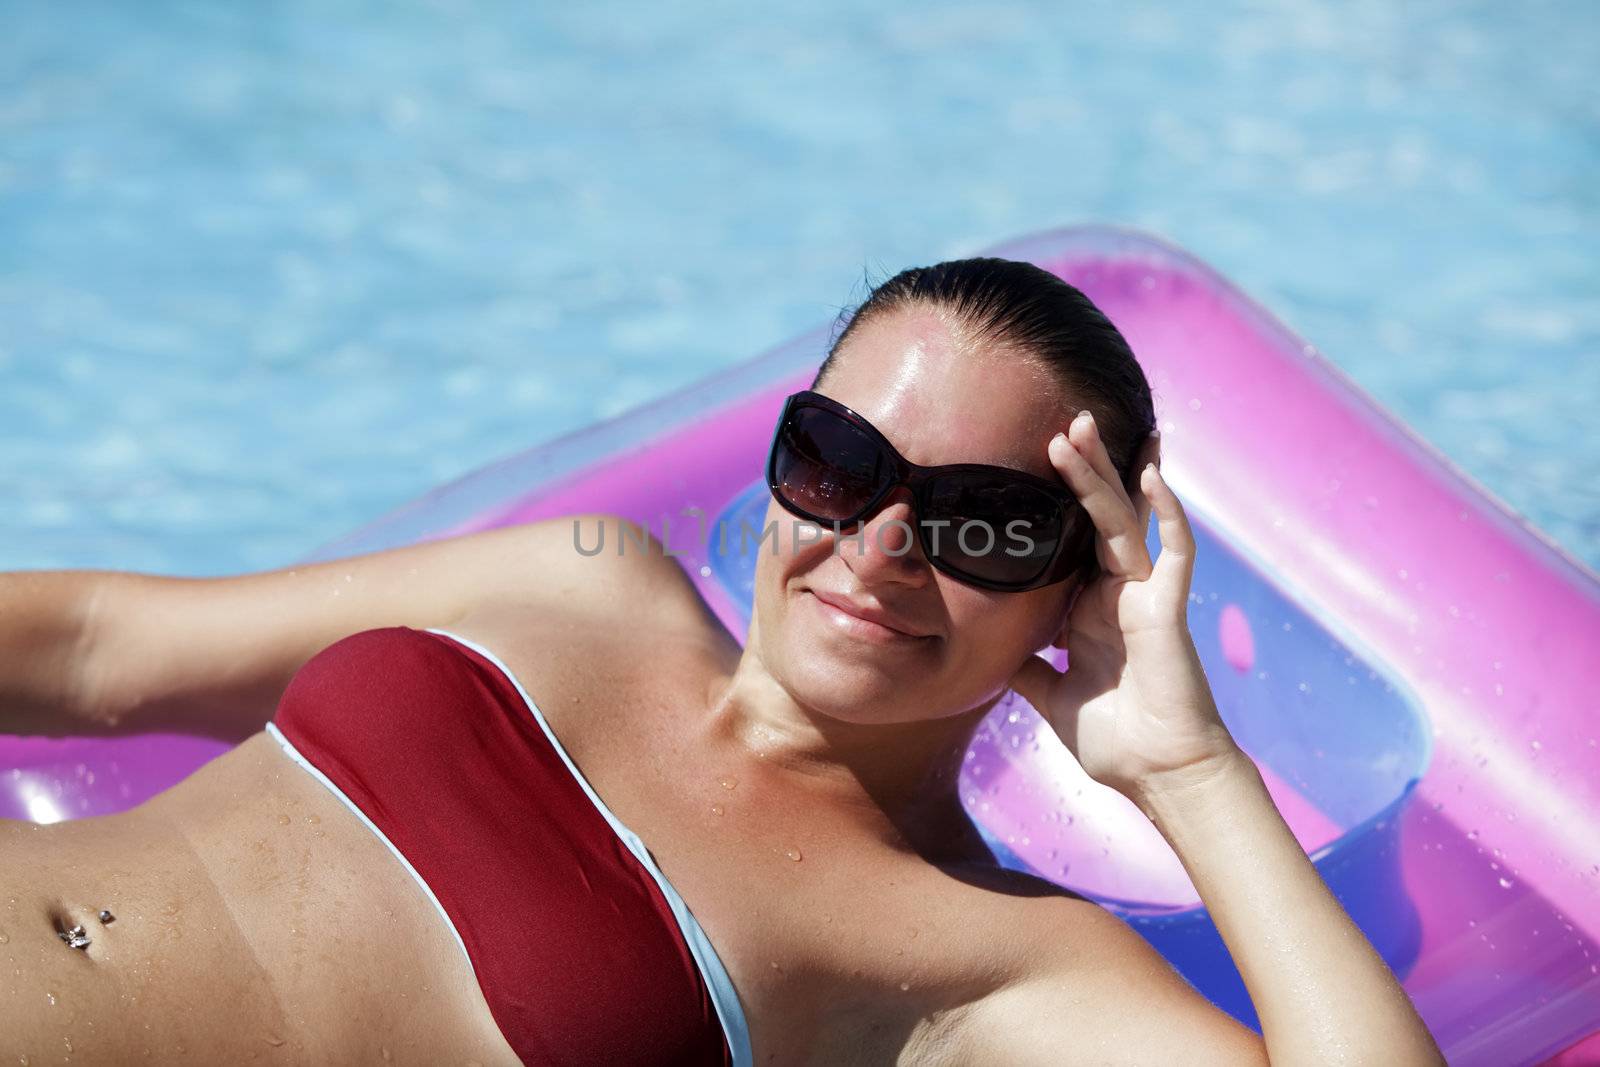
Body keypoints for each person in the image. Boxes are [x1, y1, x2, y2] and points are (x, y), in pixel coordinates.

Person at [0, 258, 1444, 1065]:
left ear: (1073, 593)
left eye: (982, 525)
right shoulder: (579, 583)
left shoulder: (981, 956)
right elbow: (101, 646)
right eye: (841, 462)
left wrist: (1185, 769)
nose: (879, 546)